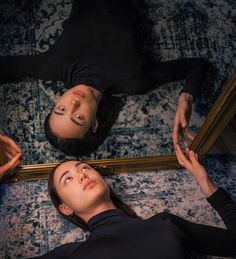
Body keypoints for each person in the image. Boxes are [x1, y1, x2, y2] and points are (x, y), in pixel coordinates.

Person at [1, 145, 236, 259]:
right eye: (68, 178)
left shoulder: (165, 223)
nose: (81, 175)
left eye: (84, 168)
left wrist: (206, 183)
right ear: (65, 209)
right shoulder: (71, 257)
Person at [0, 0, 209, 155]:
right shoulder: (134, 81)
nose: (73, 102)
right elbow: (197, 66)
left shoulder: (51, 67)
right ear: (94, 125)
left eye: (61, 109)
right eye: (78, 117)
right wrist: (186, 98)